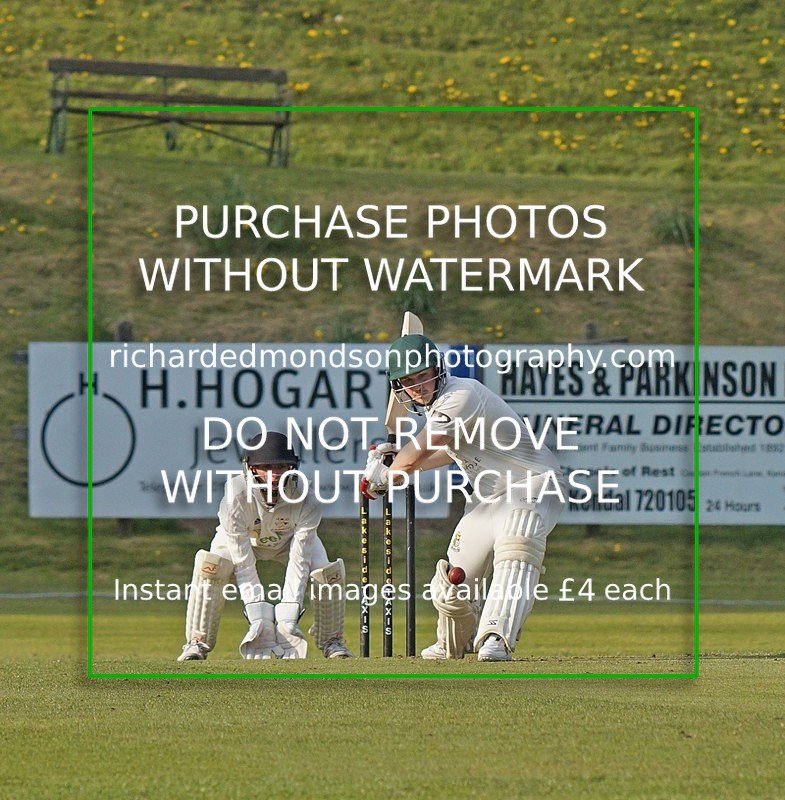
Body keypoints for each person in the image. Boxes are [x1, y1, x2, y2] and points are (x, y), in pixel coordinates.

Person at [361, 334, 566, 662]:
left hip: (534, 484)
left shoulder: (462, 394)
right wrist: (398, 461)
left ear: (438, 369)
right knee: (452, 579)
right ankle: (450, 645)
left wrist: (386, 475)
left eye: (423, 375)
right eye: (408, 381)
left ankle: (496, 636)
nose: (417, 386)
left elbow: (415, 457)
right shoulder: (438, 409)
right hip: (490, 498)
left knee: (517, 541)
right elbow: (442, 452)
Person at [177, 430, 352, 661]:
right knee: (212, 567)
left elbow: (299, 562)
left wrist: (288, 618)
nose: (273, 475)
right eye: (266, 467)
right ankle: (197, 643)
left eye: (280, 467)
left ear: (292, 467)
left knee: (326, 573)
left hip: (288, 541)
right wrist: (258, 614)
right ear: (250, 467)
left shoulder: (307, 498)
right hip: (243, 541)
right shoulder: (235, 497)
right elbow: (243, 564)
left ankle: (332, 642)